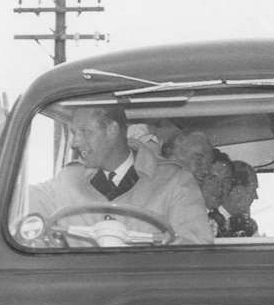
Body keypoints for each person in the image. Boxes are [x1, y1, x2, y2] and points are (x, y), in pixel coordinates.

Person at [24, 105, 212, 245]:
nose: (75, 142)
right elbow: (17, 202)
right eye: (74, 133)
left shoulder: (175, 182)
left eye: (85, 132)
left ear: (113, 129)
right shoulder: (67, 180)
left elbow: (196, 253)